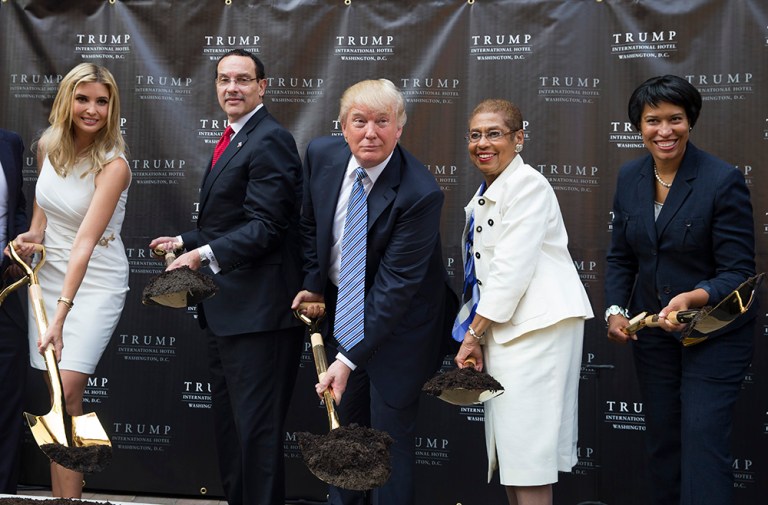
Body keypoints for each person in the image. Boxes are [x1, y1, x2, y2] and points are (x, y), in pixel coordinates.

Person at [149, 49, 304, 505]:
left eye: (242, 79)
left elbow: (268, 226)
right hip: (227, 312)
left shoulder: (269, 138)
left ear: (263, 86)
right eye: (223, 79)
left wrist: (202, 255)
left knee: (256, 435)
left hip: (258, 314)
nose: (231, 88)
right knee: (233, 431)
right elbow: (231, 221)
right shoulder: (237, 136)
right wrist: (183, 240)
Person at [292, 78, 452, 505]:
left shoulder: (420, 193)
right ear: (342, 126)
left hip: (400, 333)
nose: (370, 133)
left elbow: (395, 290)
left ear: (399, 128)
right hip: (344, 314)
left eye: (383, 121)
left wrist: (345, 360)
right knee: (342, 440)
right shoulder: (322, 155)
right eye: (359, 121)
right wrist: (312, 284)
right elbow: (310, 226)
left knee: (385, 449)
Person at [605, 75, 756, 505]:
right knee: (664, 442)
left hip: (715, 334)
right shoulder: (629, 177)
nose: (664, 131)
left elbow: (739, 272)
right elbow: (620, 257)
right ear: (640, 125)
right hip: (655, 336)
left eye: (676, 119)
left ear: (691, 122)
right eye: (654, 120)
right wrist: (615, 310)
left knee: (702, 440)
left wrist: (693, 297)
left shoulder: (721, 180)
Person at [453, 99, 593, 505]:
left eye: (494, 133)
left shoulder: (528, 185)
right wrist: (481, 334)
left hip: (536, 331)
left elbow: (510, 273)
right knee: (514, 451)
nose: (482, 142)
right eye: (475, 134)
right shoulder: (493, 189)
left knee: (528, 455)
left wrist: (473, 334)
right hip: (508, 330)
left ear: (519, 138)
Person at [10, 63, 131, 499]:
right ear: (67, 100)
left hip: (94, 280)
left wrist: (60, 316)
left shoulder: (113, 165)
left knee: (68, 388)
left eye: (102, 101)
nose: (92, 109)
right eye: (83, 99)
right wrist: (33, 237)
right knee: (59, 400)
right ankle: (67, 498)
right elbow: (43, 214)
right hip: (49, 274)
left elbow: (83, 243)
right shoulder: (49, 146)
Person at [0, 128, 29, 494]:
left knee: (7, 399)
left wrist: (19, 243)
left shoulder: (9, 143)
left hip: (4, 291)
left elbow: (17, 207)